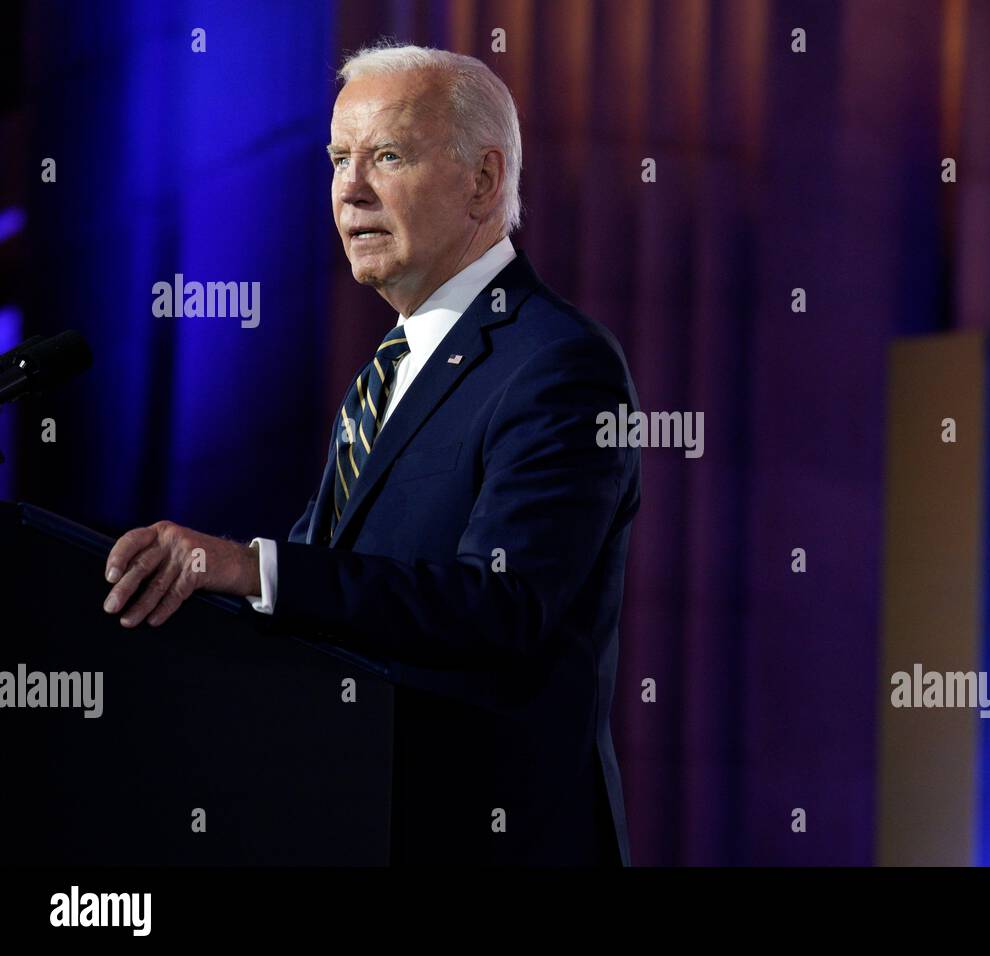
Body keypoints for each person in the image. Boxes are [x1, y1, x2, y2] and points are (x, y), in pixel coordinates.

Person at [101, 43, 640, 866]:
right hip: (363, 826)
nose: (350, 189)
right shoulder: (383, 377)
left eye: (387, 156)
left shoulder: (557, 363)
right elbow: (330, 597)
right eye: (338, 158)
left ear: (484, 181)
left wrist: (253, 569)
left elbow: (502, 607)